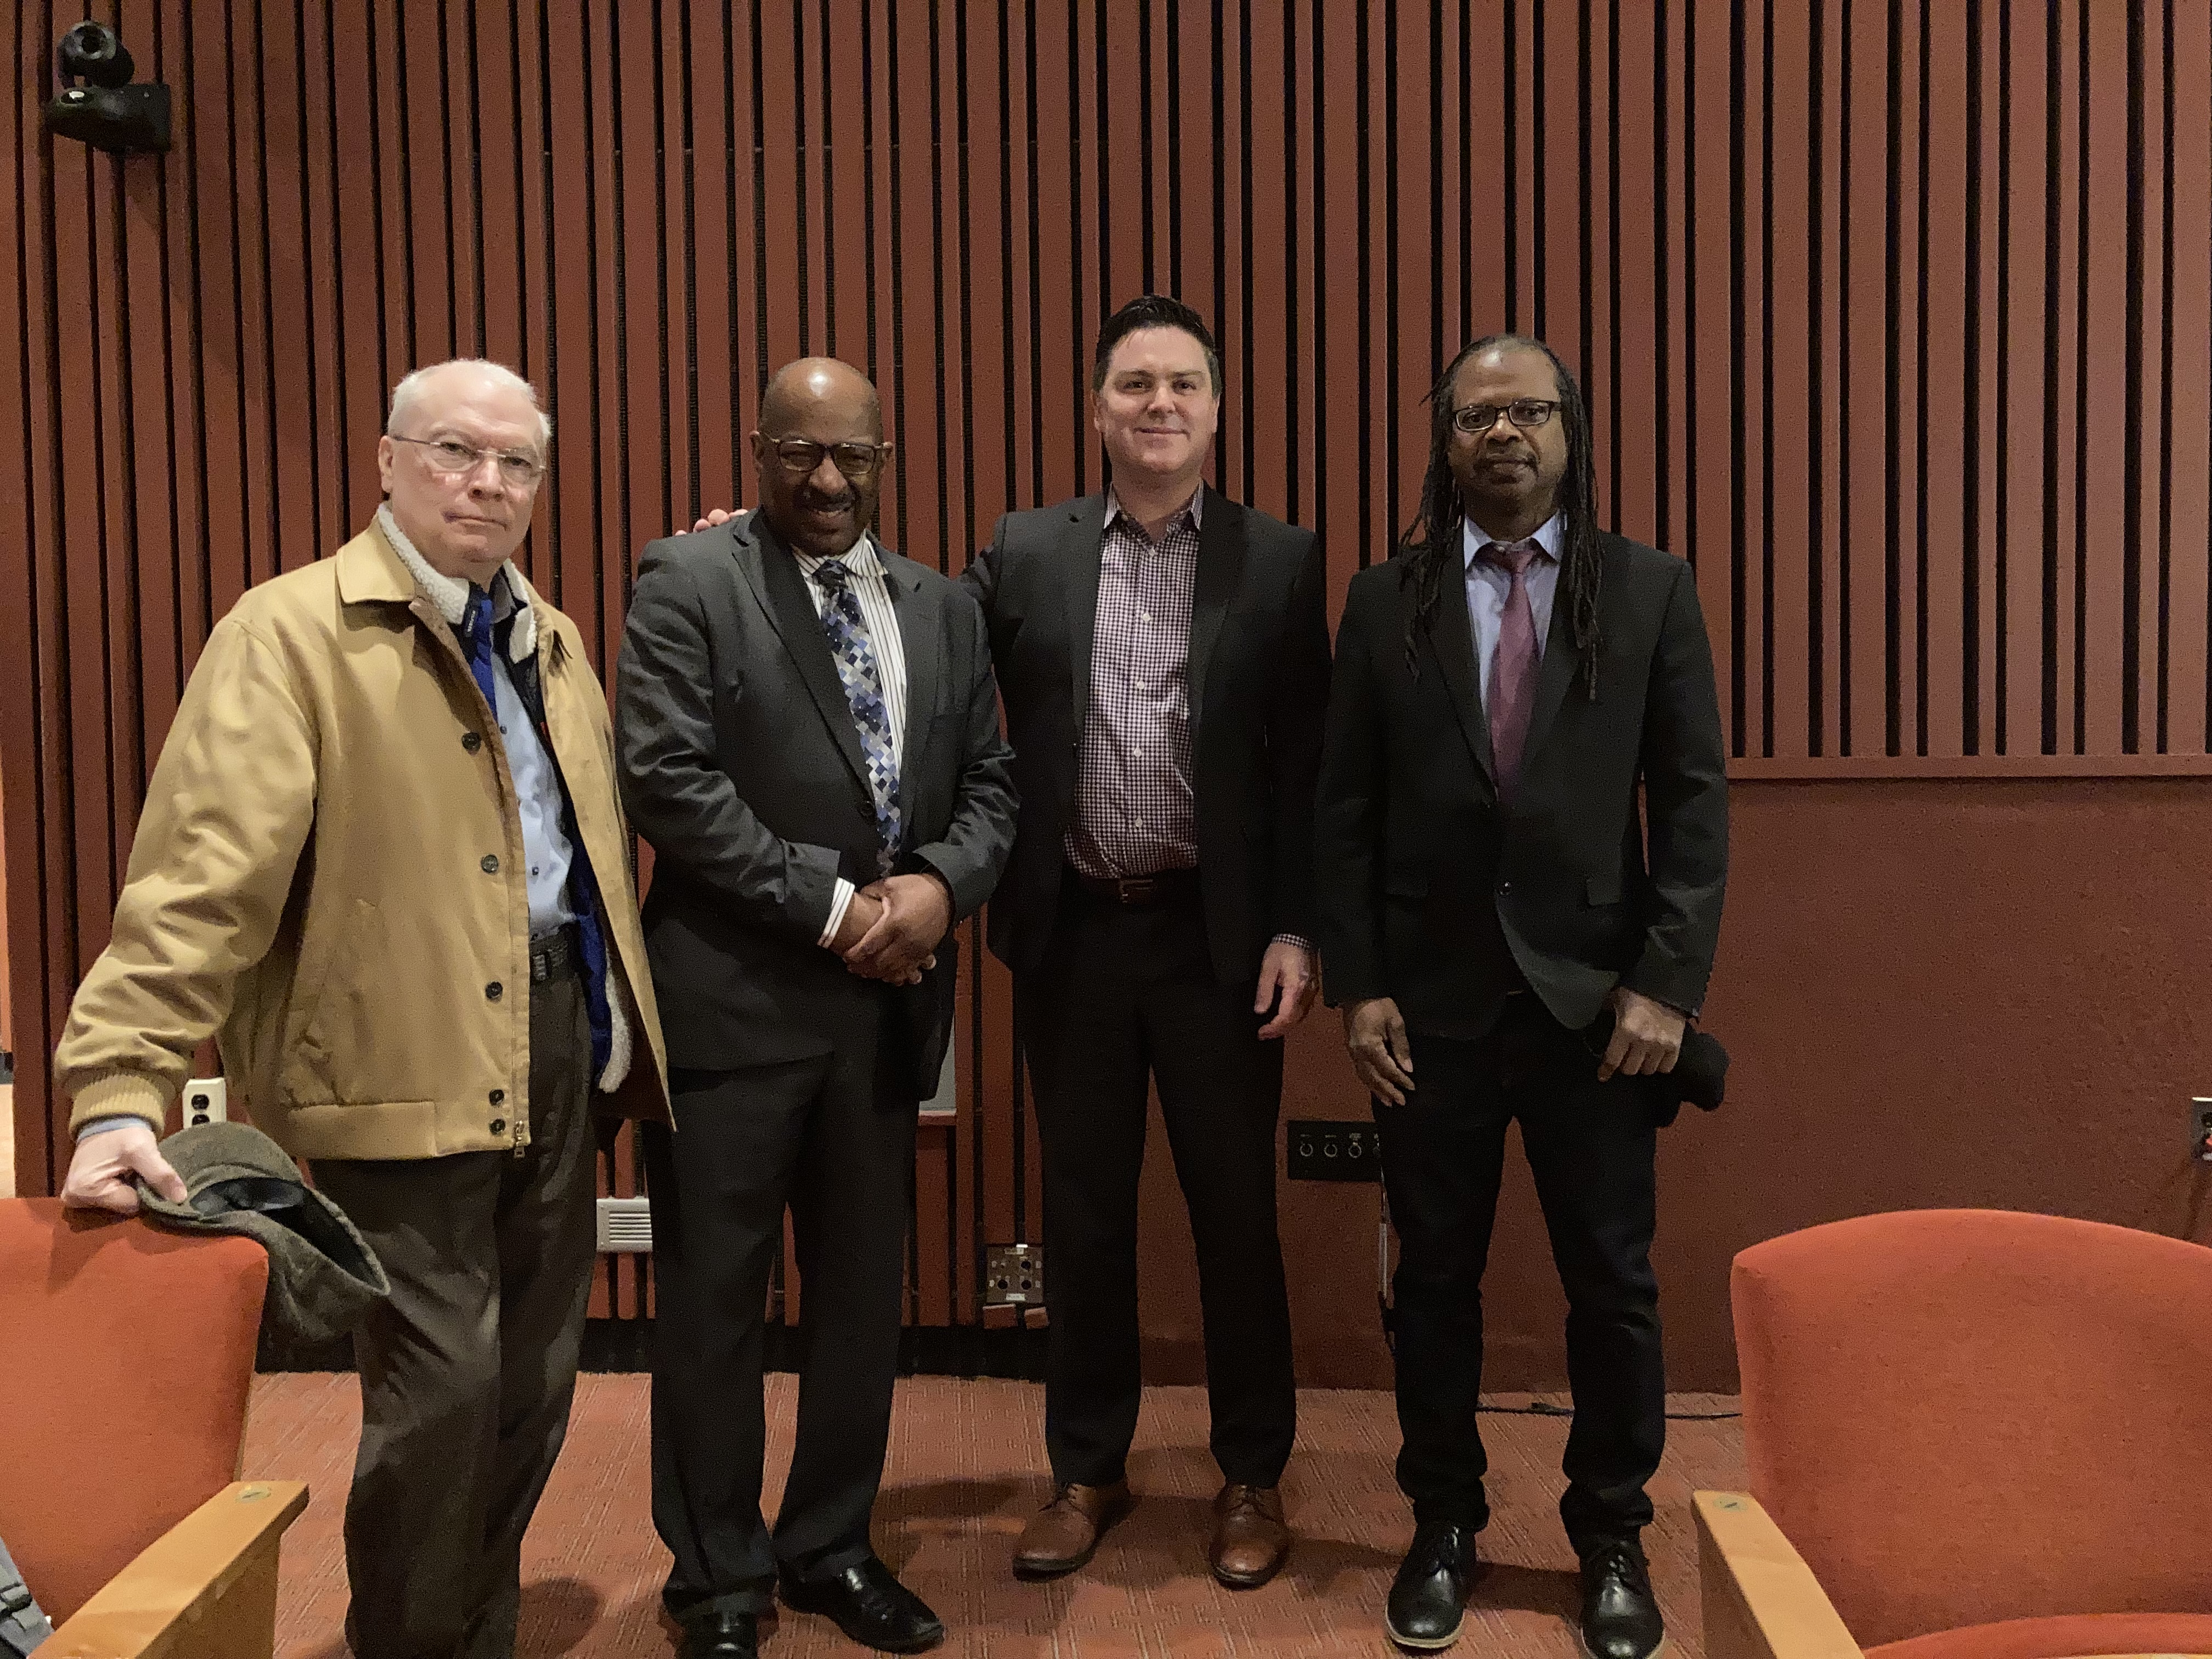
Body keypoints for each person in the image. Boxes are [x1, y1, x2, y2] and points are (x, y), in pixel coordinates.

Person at [52, 358, 672, 1659]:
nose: (486, 484)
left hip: (561, 1050)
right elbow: (196, 880)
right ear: (387, 461)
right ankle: (413, 1639)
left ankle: (470, 1630)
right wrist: (122, 1081)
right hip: (399, 1065)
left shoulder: (550, 641)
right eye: (455, 451)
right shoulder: (287, 635)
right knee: (442, 1395)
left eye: (515, 464)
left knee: (536, 1389)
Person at [1314, 334, 1728, 1655]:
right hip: (1426, 1012)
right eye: (1478, 415)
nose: (1505, 434)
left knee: (1611, 1282)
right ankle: (1444, 1523)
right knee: (1432, 1281)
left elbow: (1697, 803)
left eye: (1531, 411)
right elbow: (1346, 812)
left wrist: (1667, 983)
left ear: (1571, 431)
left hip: (1596, 1016)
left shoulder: (1650, 591)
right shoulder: (1387, 604)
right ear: (1445, 441)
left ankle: (1611, 1533)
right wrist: (1359, 984)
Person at [618, 358, 1017, 1658]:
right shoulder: (690, 583)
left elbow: (997, 788)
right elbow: (666, 782)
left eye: (854, 455)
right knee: (715, 1304)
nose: (830, 480)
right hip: (735, 1005)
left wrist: (940, 892)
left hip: (886, 1012)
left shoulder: (947, 610)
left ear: (886, 456)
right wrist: (842, 907)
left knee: (859, 1302)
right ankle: (718, 1583)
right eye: (800, 454)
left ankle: (831, 1548)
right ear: (759, 449)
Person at [962, 296, 1331, 1588]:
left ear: (1217, 411)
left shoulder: (1280, 562)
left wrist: (1299, 925)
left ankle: (1252, 1476)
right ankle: (1086, 1468)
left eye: (1183, 384)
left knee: (1236, 1218)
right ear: (1099, 408)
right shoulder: (1024, 551)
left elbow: (1307, 772)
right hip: (1075, 937)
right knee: (1084, 1218)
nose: (1159, 404)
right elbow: (925, 653)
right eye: (1135, 384)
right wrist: (756, 555)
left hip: (1217, 942)